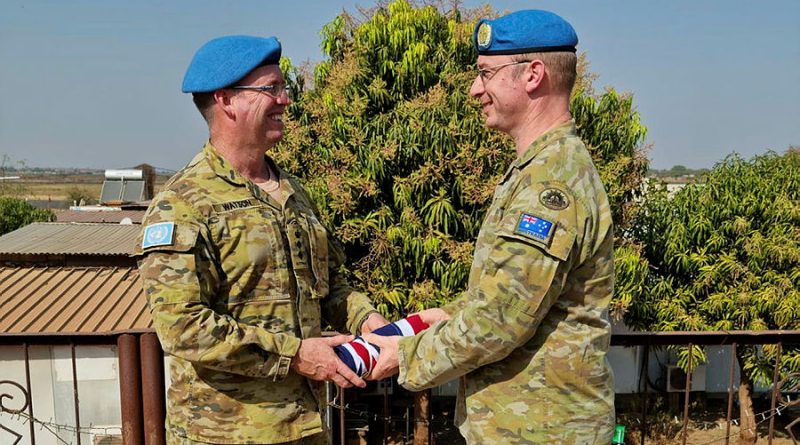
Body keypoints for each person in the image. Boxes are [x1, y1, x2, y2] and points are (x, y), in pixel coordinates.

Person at [365, 10, 616, 444]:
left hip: (541, 429)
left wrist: (403, 357)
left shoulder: (549, 183)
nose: (474, 89)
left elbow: (502, 319)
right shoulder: (539, 169)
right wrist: (445, 315)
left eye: (486, 73)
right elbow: (510, 296)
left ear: (533, 75)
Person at [135, 35, 388, 445]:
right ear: (226, 100)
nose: (285, 99)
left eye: (283, 87)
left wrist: (368, 321)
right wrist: (296, 355)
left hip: (305, 425)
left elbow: (330, 285)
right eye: (271, 89)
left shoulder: (294, 192)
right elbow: (183, 327)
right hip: (226, 433)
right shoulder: (181, 204)